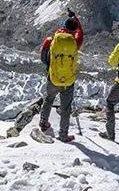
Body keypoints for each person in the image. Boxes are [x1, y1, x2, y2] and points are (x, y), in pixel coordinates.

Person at [37, 9, 84, 142]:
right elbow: (80, 32)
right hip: (68, 81)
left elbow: (43, 57)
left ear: (62, 26)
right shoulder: (75, 42)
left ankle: (43, 123)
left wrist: (50, 67)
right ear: (73, 30)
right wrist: (75, 17)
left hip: (53, 77)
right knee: (66, 107)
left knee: (49, 100)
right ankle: (63, 135)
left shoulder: (51, 40)